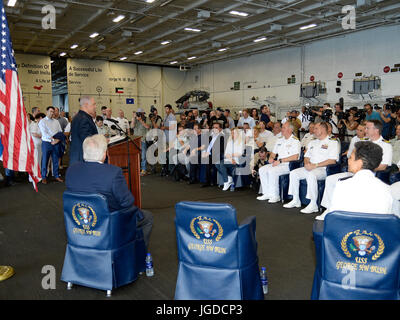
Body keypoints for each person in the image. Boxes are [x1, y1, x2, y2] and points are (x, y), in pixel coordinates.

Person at [65, 134, 153, 247]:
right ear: (104, 154)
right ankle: (137, 254)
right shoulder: (113, 173)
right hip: (109, 223)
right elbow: (127, 202)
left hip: (79, 223)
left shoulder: (71, 170)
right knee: (148, 217)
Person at [317, 120, 392, 219]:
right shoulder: (363, 142)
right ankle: (329, 209)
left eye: (367, 128)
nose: (365, 130)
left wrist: (363, 168)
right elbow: (352, 158)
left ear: (376, 130)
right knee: (330, 179)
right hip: (355, 171)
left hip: (372, 174)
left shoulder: (386, 145)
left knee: (344, 184)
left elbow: (383, 166)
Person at [284, 122, 339, 214]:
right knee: (294, 173)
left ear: (323, 129)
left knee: (311, 175)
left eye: (316, 128)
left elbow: (332, 161)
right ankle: (295, 199)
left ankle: (313, 204)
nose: (314, 130)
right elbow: (306, 156)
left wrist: (315, 165)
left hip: (323, 169)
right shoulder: (312, 142)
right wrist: (307, 164)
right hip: (310, 167)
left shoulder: (332, 142)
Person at [257, 122, 301, 203]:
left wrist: (280, 161)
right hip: (279, 163)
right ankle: (266, 193)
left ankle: (275, 195)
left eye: (284, 128)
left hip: (289, 165)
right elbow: (273, 153)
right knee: (262, 170)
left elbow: (295, 157)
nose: (282, 129)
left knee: (272, 171)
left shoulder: (295, 141)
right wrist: (271, 158)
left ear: (290, 130)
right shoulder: (279, 140)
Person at [69, 96, 98, 166]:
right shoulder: (83, 118)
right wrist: (101, 140)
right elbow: (86, 139)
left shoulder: (80, 117)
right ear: (86, 105)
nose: (95, 106)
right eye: (93, 104)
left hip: (79, 157)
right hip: (82, 158)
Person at [38, 106, 63, 184]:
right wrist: (53, 140)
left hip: (56, 143)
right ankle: (43, 177)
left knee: (56, 160)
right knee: (45, 160)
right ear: (47, 111)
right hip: (47, 143)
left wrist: (57, 140)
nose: (52, 113)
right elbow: (44, 133)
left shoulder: (56, 121)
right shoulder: (42, 121)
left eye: (53, 112)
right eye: (51, 111)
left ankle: (56, 175)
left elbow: (60, 132)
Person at [200, 122, 225, 187]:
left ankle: (213, 182)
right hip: (209, 154)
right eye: (213, 127)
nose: (214, 129)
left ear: (220, 129)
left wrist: (209, 153)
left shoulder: (222, 137)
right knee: (207, 165)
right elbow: (207, 145)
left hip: (217, 154)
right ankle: (207, 181)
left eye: (216, 127)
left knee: (211, 164)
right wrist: (205, 151)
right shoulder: (211, 136)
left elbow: (221, 148)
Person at [131, 108, 150, 176]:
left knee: (143, 156)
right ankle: (137, 169)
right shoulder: (135, 119)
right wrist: (133, 118)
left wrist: (141, 120)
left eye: (141, 113)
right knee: (136, 155)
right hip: (136, 140)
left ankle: (144, 169)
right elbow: (132, 126)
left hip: (143, 139)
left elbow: (147, 126)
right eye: (138, 113)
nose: (140, 114)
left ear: (143, 113)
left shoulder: (146, 119)